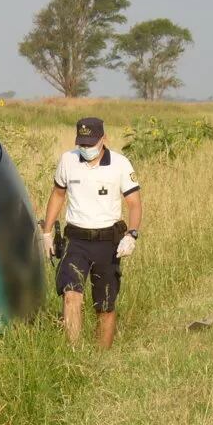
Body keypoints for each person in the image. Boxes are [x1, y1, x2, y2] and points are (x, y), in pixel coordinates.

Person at [41, 117, 143, 349]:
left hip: (108, 241)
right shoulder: (67, 160)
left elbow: (134, 203)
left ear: (103, 139)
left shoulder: (120, 164)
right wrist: (46, 232)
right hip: (76, 240)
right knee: (71, 294)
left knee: (105, 306)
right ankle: (74, 355)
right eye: (82, 144)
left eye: (90, 143)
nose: (85, 148)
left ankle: (101, 358)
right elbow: (58, 194)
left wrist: (132, 234)